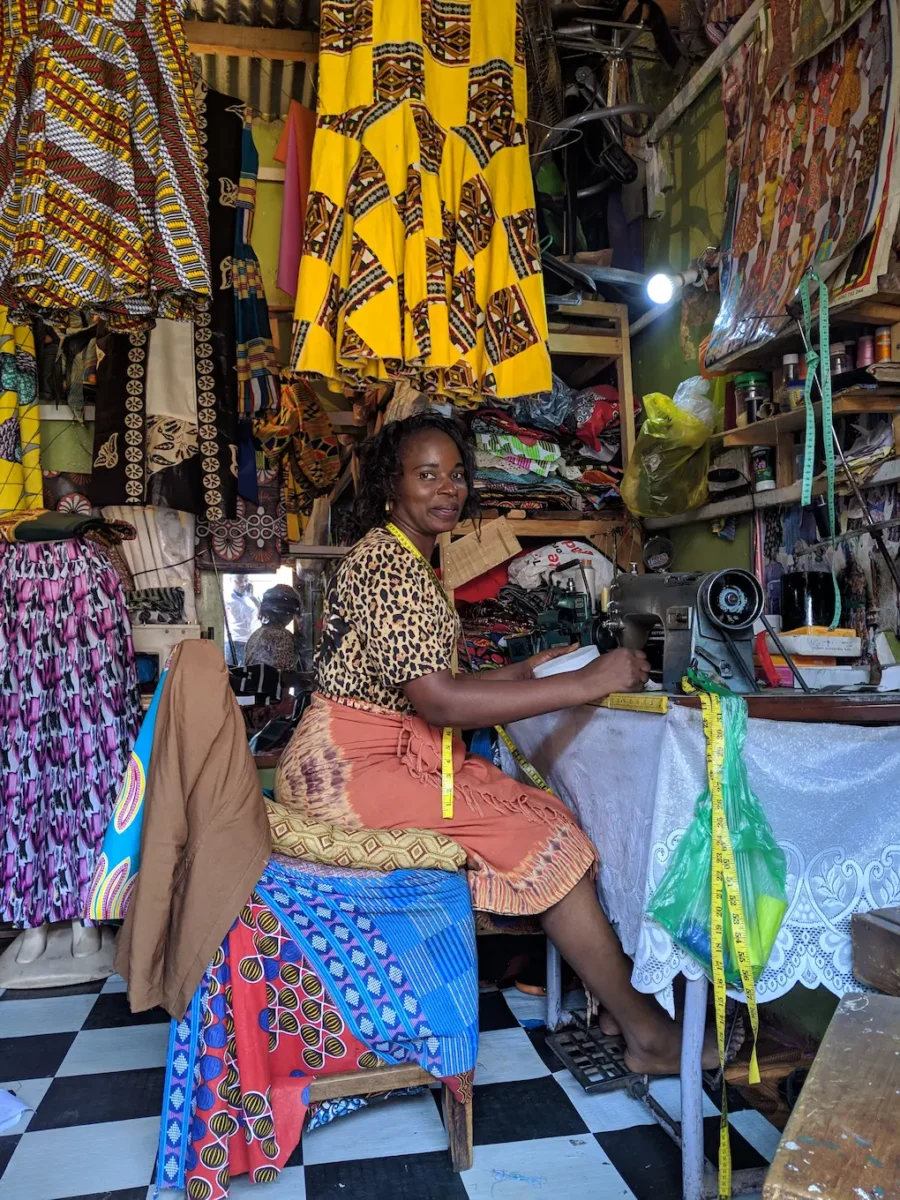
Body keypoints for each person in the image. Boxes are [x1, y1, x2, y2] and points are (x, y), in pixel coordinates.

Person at [275, 412, 717, 1074]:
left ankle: (616, 1000)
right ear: (392, 485)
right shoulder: (390, 566)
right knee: (551, 840)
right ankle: (648, 1033)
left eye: (455, 475)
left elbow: (426, 684)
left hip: (372, 748)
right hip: (351, 768)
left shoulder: (402, 556)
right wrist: (587, 681)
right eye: (427, 475)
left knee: (545, 815)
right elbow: (439, 702)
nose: (446, 489)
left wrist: (523, 673)